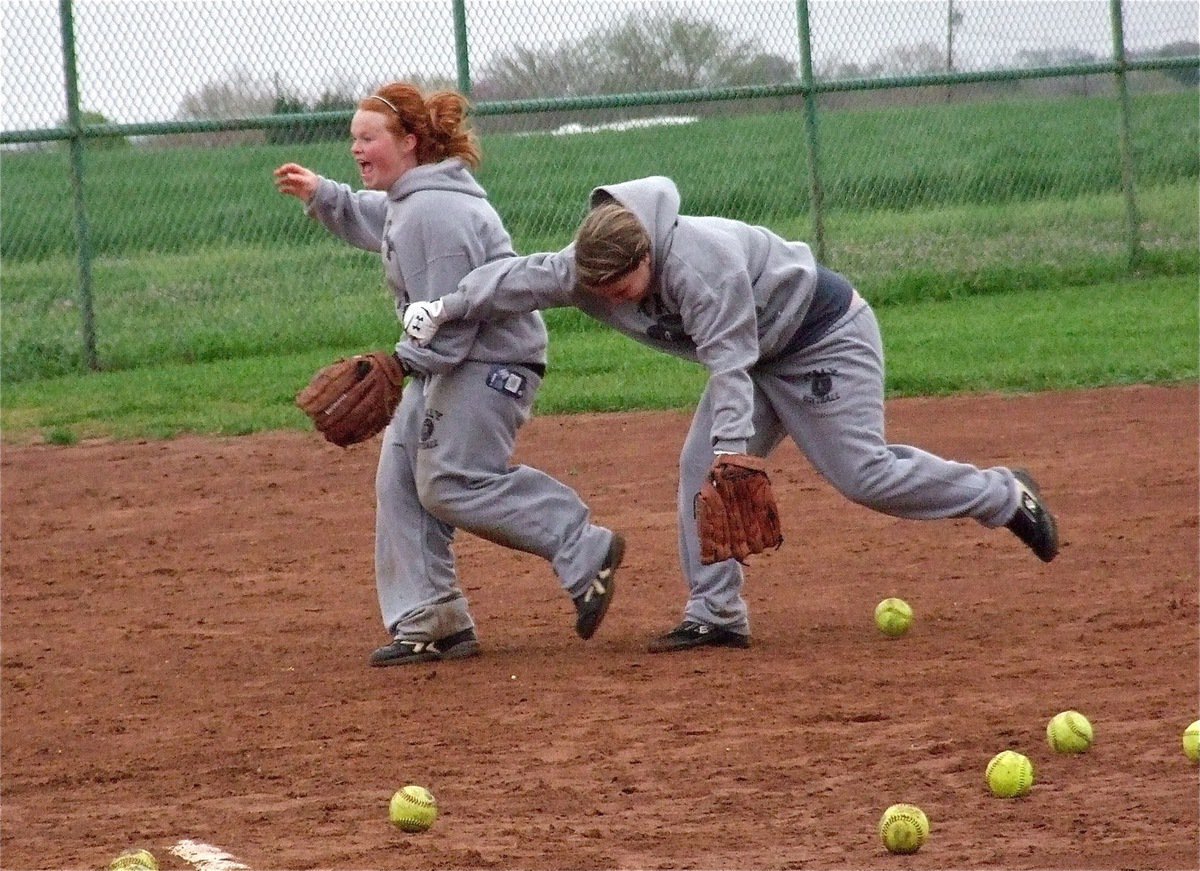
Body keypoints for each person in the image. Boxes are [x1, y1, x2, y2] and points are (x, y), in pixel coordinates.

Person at [403, 175, 1059, 653]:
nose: (608, 299)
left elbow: (730, 363)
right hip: (755, 353)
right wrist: (447, 307)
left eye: (622, 287)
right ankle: (716, 613)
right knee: (697, 467)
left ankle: (1005, 494)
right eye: (595, 289)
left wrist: (731, 451)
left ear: (648, 257)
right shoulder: (589, 268)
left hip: (820, 335)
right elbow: (515, 277)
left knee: (864, 473)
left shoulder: (701, 267)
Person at [273, 83, 623, 666]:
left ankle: (582, 546)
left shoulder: (434, 212)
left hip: (489, 362)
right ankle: (430, 617)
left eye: (369, 138)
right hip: (453, 359)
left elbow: (452, 320)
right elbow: (377, 217)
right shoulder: (416, 198)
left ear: (409, 142)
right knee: (401, 479)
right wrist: (323, 195)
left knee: (450, 480)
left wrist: (401, 362)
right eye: (352, 139)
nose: (357, 149)